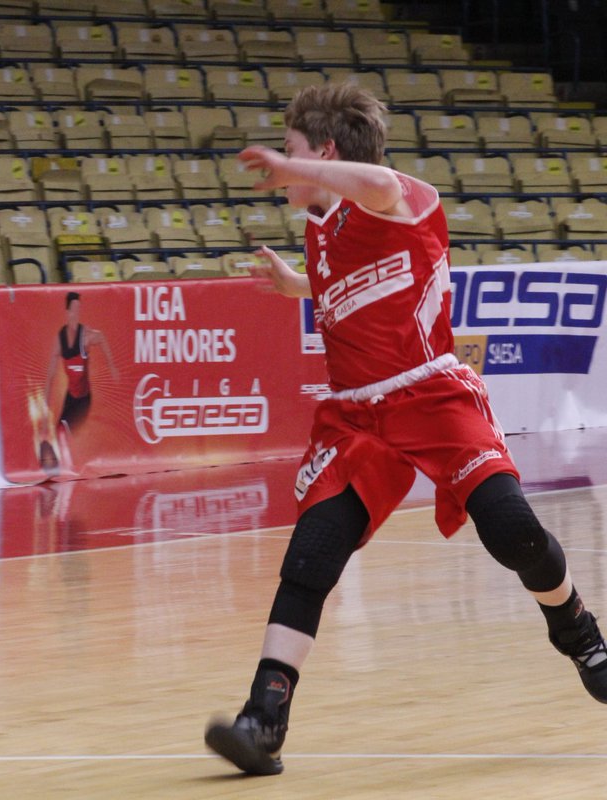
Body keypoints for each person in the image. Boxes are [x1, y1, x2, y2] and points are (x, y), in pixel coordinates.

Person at [204, 83, 607, 776]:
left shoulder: (401, 196)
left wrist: (296, 167)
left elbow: (374, 182)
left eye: (299, 153)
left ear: (324, 153)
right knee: (311, 557)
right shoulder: (320, 228)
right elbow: (344, 283)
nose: (287, 172)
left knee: (511, 532)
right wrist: (296, 287)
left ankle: (577, 628)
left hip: (430, 394)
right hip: (358, 417)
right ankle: (264, 718)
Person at [43, 290, 118, 432]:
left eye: (79, 309)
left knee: (69, 433)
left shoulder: (85, 337)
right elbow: (50, 377)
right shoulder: (60, 339)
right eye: (74, 309)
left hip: (83, 400)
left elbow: (101, 337)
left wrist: (112, 366)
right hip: (70, 396)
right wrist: (45, 415)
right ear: (67, 311)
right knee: (59, 430)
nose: (76, 313)